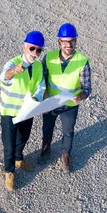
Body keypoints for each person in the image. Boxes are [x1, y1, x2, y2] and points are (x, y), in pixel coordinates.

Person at [40, 23, 92, 173]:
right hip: (50, 102)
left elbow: (87, 87)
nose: (69, 44)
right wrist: (42, 96)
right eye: (65, 41)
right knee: (47, 127)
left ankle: (66, 154)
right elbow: (42, 79)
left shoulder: (82, 61)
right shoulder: (49, 57)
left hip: (70, 105)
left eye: (72, 41)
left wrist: (81, 96)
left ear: (76, 41)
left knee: (68, 131)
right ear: (59, 42)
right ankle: (46, 146)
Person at [0, 31, 47, 191]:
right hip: (10, 111)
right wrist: (13, 71)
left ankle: (19, 159)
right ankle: (9, 171)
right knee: (9, 143)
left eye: (39, 50)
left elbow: (40, 84)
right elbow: (4, 77)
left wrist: (37, 98)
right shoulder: (13, 63)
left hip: (27, 110)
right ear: (24, 47)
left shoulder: (39, 66)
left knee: (24, 137)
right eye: (32, 48)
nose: (35, 53)